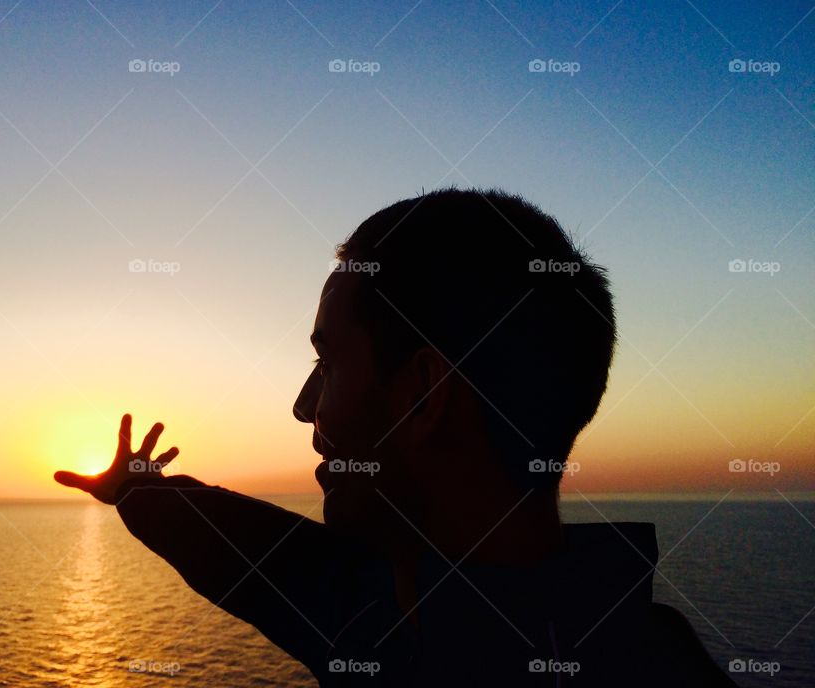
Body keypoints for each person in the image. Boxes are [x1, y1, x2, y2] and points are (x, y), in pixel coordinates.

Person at [55, 187, 737, 686]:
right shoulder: (385, 602)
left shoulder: (387, 628)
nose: (303, 407)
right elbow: (252, 554)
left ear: (422, 392)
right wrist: (137, 491)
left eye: (328, 362)